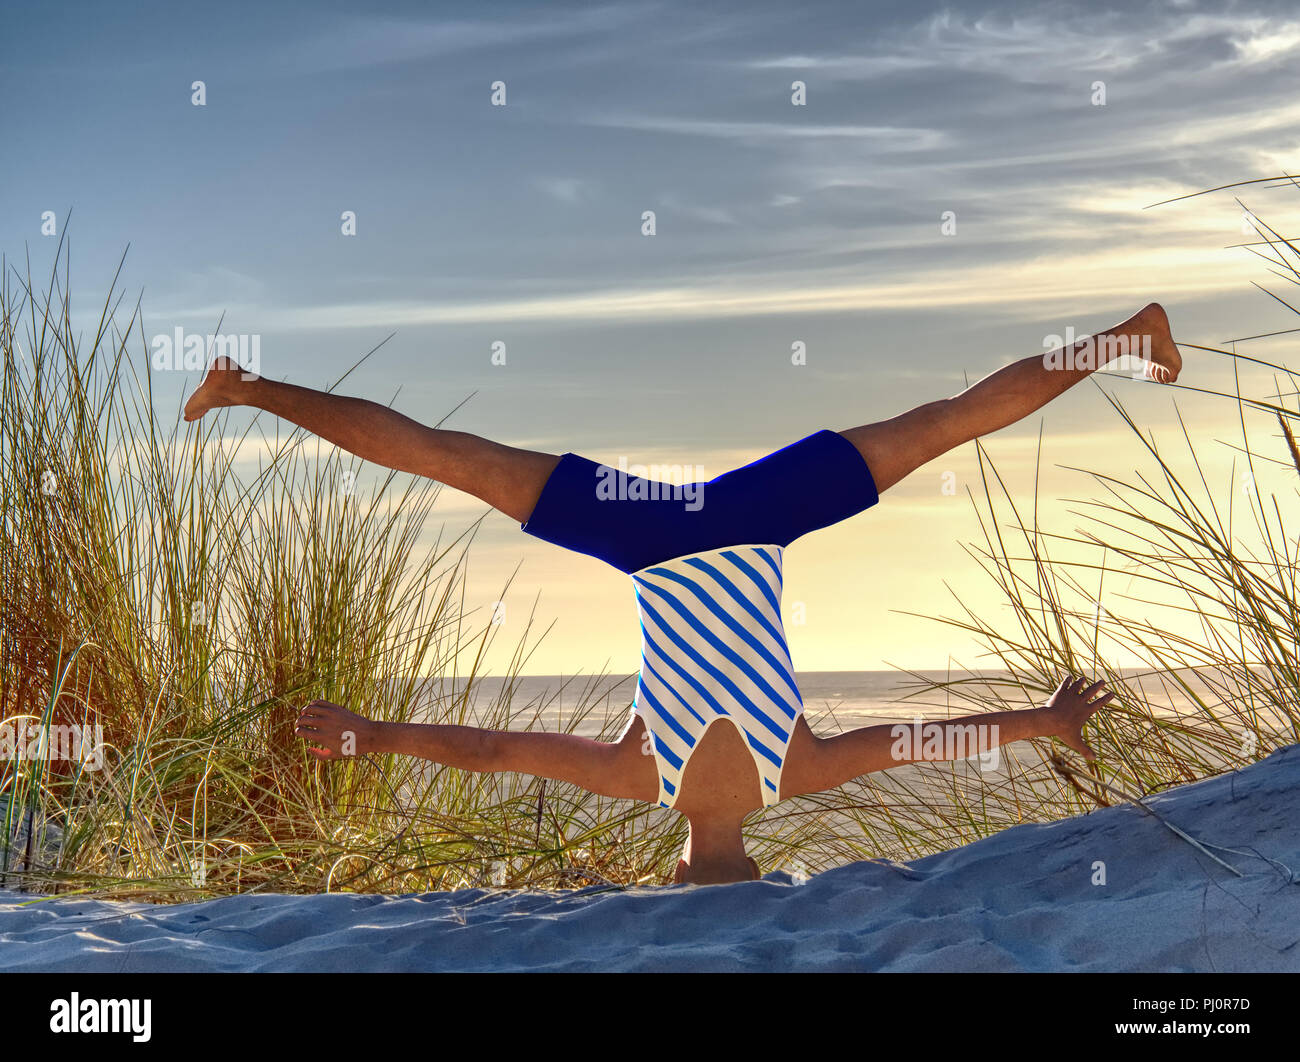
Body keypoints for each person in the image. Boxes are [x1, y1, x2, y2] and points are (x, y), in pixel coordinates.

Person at [184, 302, 1181, 885]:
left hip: (755, 519)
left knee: (945, 421)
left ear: (751, 862)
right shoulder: (638, 779)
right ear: (677, 867)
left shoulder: (797, 775)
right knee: (449, 460)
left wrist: (1045, 722)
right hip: (648, 537)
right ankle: (249, 389)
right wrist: (373, 733)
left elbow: (930, 739)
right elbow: (485, 748)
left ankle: (1129, 335)